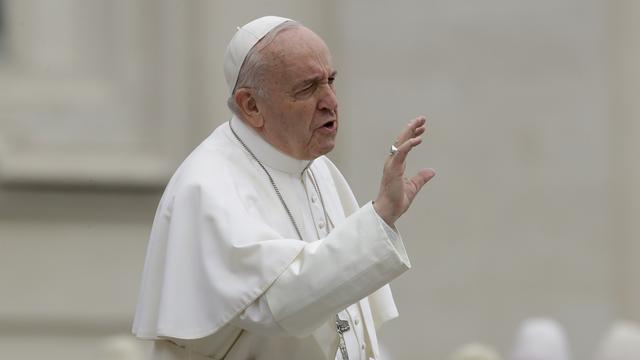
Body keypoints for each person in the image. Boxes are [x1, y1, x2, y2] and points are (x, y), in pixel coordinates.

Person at [132, 15, 435, 360]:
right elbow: (280, 301)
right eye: (307, 88)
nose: (330, 101)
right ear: (251, 105)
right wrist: (380, 215)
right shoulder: (206, 187)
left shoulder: (319, 170)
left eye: (330, 81)